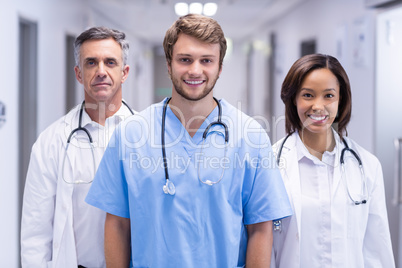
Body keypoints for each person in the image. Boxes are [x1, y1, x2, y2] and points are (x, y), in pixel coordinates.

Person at [85, 14, 292, 267]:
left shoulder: (251, 136)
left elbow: (260, 228)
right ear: (169, 65)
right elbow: (117, 222)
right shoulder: (130, 135)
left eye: (206, 60)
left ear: (219, 67)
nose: (195, 70)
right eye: (185, 59)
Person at [21, 26, 134, 268]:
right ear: (79, 73)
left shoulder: (147, 136)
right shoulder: (51, 141)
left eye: (110, 62)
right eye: (91, 62)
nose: (101, 71)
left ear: (124, 72)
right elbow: (36, 233)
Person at [271, 53, 395, 267]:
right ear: (293, 99)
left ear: (341, 100)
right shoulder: (270, 163)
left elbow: (377, 249)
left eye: (328, 96)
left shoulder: (367, 165)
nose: (318, 106)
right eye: (308, 95)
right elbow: (264, 248)